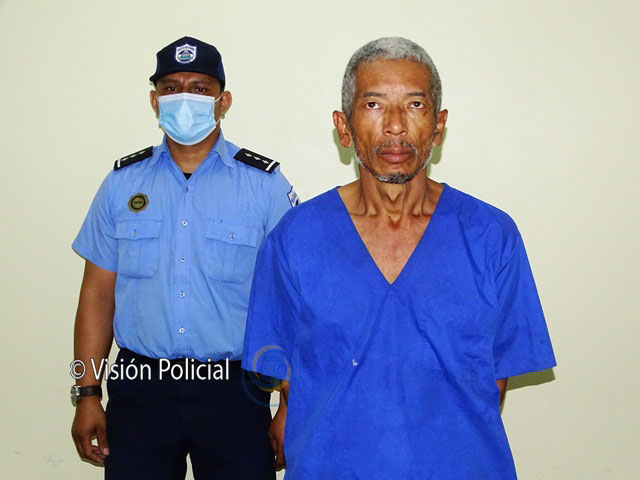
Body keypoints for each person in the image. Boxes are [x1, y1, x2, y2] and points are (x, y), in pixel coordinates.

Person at [242, 37, 556, 478]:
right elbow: (287, 373)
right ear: (344, 127)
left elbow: (492, 383)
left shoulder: (490, 235)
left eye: (414, 105)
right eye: (373, 105)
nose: (394, 126)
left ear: (438, 126)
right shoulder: (296, 238)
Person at [70, 36, 296, 479]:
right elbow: (97, 295)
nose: (184, 98)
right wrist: (88, 392)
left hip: (235, 390)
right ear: (155, 101)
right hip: (140, 390)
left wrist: (290, 403)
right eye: (171, 88)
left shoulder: (264, 185)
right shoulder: (121, 184)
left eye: (199, 88)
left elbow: (290, 302)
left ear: (223, 101)